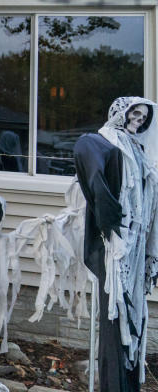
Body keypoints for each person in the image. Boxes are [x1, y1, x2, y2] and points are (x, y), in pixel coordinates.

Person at [75, 97, 158, 392]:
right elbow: (92, 172)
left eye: (144, 118)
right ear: (120, 112)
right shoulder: (101, 142)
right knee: (114, 320)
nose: (138, 120)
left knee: (134, 318)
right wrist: (112, 223)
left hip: (135, 253)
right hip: (115, 249)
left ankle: (128, 385)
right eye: (134, 113)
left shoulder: (139, 153)